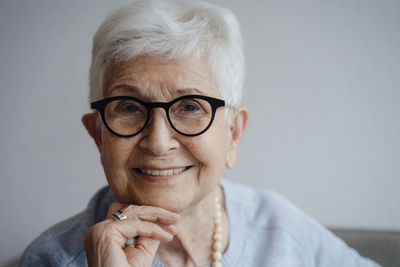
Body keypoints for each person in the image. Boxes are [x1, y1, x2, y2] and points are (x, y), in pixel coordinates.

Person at [20, 0, 380, 266]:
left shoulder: (280, 230)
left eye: (191, 107)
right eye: (129, 107)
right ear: (98, 135)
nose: (159, 142)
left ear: (233, 134)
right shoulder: (52, 258)